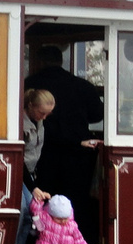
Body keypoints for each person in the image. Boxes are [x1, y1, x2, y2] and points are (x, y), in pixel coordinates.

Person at [25, 44, 103, 227]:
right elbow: (97, 115)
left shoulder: (30, 85)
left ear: (40, 62)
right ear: (61, 61)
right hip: (78, 157)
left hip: (44, 157)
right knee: (76, 204)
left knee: (42, 205)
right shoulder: (82, 86)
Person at [15, 89, 55, 244]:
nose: (44, 117)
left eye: (47, 114)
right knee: (22, 209)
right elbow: (19, 159)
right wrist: (33, 187)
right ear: (30, 106)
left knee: (32, 212)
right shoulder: (21, 126)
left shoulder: (38, 123)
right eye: (41, 113)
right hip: (19, 172)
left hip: (30, 173)